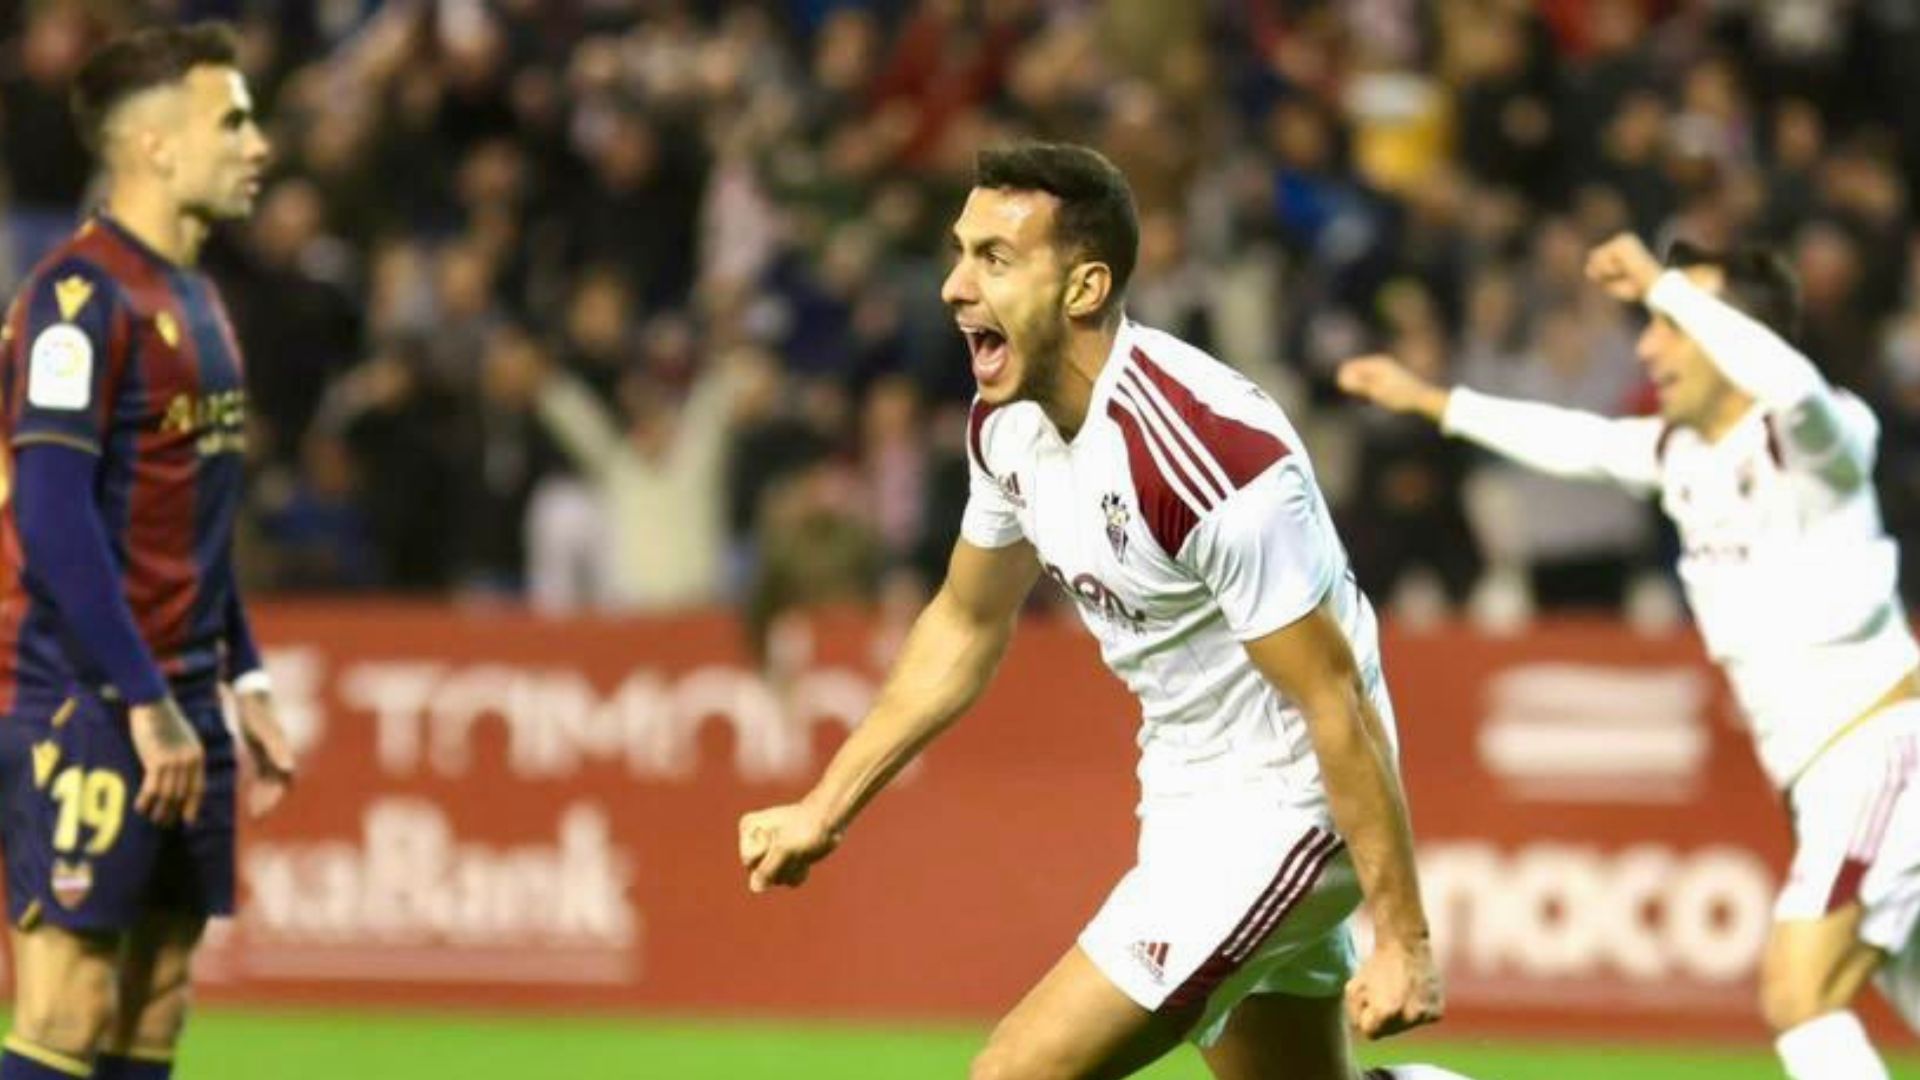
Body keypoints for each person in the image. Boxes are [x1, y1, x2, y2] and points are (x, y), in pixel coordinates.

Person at [739, 143, 1475, 1080]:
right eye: (961, 253)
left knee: (1013, 1076)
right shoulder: (1004, 425)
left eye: (994, 260)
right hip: (1184, 796)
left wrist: (1403, 939)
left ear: (1085, 287)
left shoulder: (1208, 458)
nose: (954, 287)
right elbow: (966, 625)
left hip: (1289, 809)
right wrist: (823, 807)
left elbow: (1339, 705)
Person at [1339, 233, 1920, 1080]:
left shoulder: (1820, 440)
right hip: (1824, 775)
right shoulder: (1682, 457)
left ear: (1733, 335)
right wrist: (1434, 401)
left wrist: (1662, 282)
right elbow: (1576, 441)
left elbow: (1791, 385)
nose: (1651, 344)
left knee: (1801, 992)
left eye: (1674, 324)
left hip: (1882, 755)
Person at [0, 23, 295, 1080]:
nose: (259, 144)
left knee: (155, 1007)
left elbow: (197, 522)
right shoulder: (78, 299)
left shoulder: (203, 301)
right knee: (67, 1009)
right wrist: (144, 696)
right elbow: (52, 513)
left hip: (178, 700)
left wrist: (244, 674)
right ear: (157, 147)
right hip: (81, 697)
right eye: (234, 120)